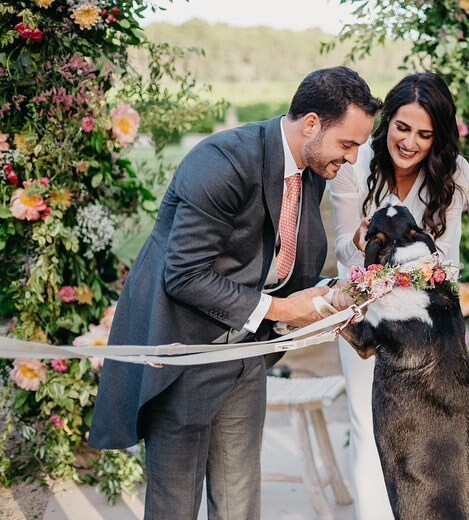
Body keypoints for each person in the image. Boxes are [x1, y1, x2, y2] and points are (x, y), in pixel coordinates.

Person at [89, 66, 381, 520]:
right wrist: (282, 308)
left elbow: (279, 264)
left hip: (247, 352)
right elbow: (184, 274)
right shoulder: (223, 160)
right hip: (185, 350)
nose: (351, 157)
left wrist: (331, 296)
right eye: (347, 144)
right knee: (175, 504)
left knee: (240, 500)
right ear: (310, 124)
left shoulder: (312, 169)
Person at [329, 72, 469, 520]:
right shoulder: (354, 164)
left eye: (425, 134)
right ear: (388, 123)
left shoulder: (453, 174)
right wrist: (362, 238)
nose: (411, 143)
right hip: (369, 313)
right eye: (403, 128)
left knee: (447, 426)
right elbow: (344, 249)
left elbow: (448, 257)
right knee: (370, 426)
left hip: (430, 321)